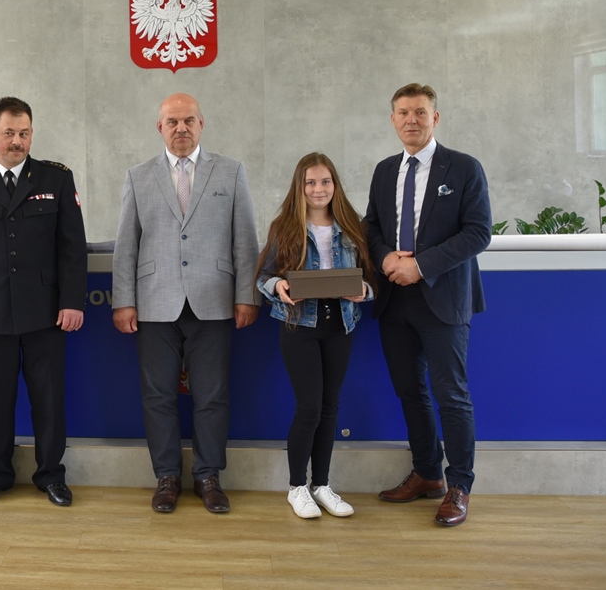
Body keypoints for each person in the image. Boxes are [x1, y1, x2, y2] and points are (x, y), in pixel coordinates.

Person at [112, 93, 259, 514]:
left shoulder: (230, 171)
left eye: (188, 120)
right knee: (157, 396)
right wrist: (123, 300)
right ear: (159, 127)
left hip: (214, 301)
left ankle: (208, 476)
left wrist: (246, 295)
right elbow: (126, 244)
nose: (181, 128)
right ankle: (167, 477)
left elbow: (245, 240)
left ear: (201, 124)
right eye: (172, 122)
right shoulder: (138, 176)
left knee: (212, 395)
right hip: (154, 303)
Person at [0, 96, 87, 507]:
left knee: (49, 400)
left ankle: (51, 475)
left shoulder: (56, 179)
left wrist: (72, 301)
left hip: (46, 312)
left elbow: (72, 248)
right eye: (8, 133)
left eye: (24, 133)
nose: (17, 141)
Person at [364, 83, 491, 527]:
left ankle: (459, 486)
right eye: (403, 113)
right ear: (393, 120)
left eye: (420, 112)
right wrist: (385, 258)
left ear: (435, 118)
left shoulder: (464, 168)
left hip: (444, 299)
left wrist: (420, 266)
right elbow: (371, 227)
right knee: (410, 391)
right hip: (395, 300)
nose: (411, 120)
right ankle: (427, 473)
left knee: (451, 396)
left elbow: (478, 233)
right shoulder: (384, 171)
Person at [255, 153, 374, 519]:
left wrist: (365, 291)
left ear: (334, 185)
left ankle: (321, 485)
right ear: (300, 187)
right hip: (299, 326)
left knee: (329, 407)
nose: (318, 189)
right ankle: (297, 487)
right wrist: (279, 286)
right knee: (308, 407)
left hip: (340, 325)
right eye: (310, 182)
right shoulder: (284, 227)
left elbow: (370, 277)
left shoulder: (352, 226)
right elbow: (264, 277)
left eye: (325, 181)